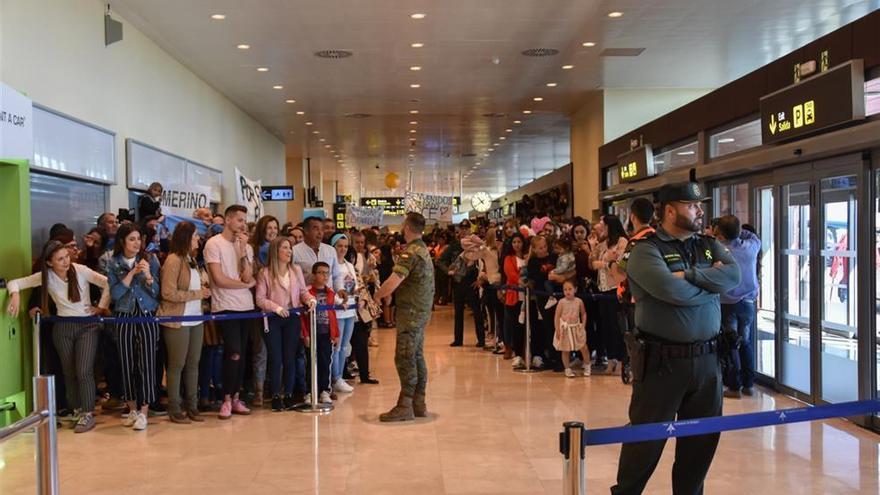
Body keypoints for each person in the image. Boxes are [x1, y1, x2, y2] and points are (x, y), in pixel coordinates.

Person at [612, 182, 740, 495]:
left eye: (699, 205)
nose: (700, 211)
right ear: (670, 210)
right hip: (661, 364)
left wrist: (692, 275)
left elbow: (734, 275)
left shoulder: (705, 246)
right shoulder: (646, 249)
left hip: (708, 363)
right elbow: (673, 292)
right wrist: (710, 284)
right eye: (692, 205)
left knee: (700, 447)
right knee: (644, 444)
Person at [6, 241, 111, 433]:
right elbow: (15, 283)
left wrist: (101, 306)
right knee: (69, 372)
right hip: (62, 326)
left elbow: (107, 282)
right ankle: (77, 410)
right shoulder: (46, 277)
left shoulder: (80, 270)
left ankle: (87, 413)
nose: (65, 261)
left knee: (84, 370)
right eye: (60, 259)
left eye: (67, 257)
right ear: (49, 262)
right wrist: (15, 295)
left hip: (87, 324)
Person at [374, 212, 435, 422]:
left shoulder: (411, 253)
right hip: (420, 312)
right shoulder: (424, 250)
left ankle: (405, 404)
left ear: (407, 227)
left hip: (410, 313)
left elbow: (394, 280)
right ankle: (419, 402)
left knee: (404, 357)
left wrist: (377, 296)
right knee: (417, 356)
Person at [106, 223, 162, 431]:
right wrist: (130, 274)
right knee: (126, 361)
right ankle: (131, 409)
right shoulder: (113, 263)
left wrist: (147, 276)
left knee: (147, 362)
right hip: (124, 315)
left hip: (146, 314)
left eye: (138, 238)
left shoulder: (151, 260)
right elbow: (116, 295)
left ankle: (144, 411)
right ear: (122, 241)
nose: (136, 243)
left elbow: (156, 292)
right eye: (131, 239)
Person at [203, 204, 256, 420]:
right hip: (225, 305)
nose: (243, 224)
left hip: (246, 306)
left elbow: (247, 275)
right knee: (232, 351)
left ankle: (235, 396)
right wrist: (245, 286)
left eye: (245, 221)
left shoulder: (246, 247)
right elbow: (219, 279)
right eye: (240, 220)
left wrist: (243, 253)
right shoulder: (213, 244)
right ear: (228, 220)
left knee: (242, 353)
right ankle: (225, 397)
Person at [158, 221, 212, 424]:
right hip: (177, 319)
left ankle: (192, 405)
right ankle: (174, 406)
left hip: (195, 318)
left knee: (193, 364)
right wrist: (198, 293)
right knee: (176, 365)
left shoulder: (192, 260)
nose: (198, 239)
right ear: (186, 238)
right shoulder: (173, 260)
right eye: (195, 236)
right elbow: (167, 292)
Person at [255, 236, 315, 411]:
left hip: (292, 318)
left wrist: (310, 300)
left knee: (290, 358)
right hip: (273, 319)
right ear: (276, 251)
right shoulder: (264, 273)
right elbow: (260, 299)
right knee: (276, 358)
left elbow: (303, 292)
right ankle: (275, 395)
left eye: (290, 248)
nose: (289, 251)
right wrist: (276, 307)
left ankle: (288, 394)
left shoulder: (295, 270)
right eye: (285, 248)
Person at [715, 214, 760, 399]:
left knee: (731, 344)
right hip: (748, 304)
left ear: (722, 235)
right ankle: (749, 384)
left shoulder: (721, 251)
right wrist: (738, 230)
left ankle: (734, 386)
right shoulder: (751, 248)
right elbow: (753, 236)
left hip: (728, 304)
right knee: (746, 343)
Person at [590, 215, 629, 374]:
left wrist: (604, 264)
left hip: (616, 288)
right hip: (603, 288)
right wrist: (593, 248)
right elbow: (593, 263)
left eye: (603, 224)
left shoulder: (622, 242)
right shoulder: (603, 243)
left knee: (617, 325)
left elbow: (620, 264)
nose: (600, 227)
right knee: (606, 325)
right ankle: (611, 358)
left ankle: (622, 360)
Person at [301, 262, 340, 404]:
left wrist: (336, 334)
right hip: (312, 333)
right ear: (314, 274)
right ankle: (309, 392)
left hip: (326, 333)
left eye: (327, 273)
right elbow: (302, 317)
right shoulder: (307, 292)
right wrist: (305, 334)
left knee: (325, 362)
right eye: (321, 272)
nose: (324, 276)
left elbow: (333, 314)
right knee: (310, 363)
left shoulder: (330, 293)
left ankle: (324, 390)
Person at [330, 233, 358, 394]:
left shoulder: (349, 265)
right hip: (339, 310)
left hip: (350, 308)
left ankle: (340, 374)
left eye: (345, 246)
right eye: (339, 246)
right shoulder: (332, 265)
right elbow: (330, 287)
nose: (342, 249)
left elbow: (352, 285)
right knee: (337, 346)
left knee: (345, 346)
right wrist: (340, 301)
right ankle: (335, 377)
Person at [449, 234, 487, 348]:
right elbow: (453, 267)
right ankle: (458, 339)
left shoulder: (479, 255)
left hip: (472, 286)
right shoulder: (461, 256)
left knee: (477, 313)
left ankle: (481, 339)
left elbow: (483, 268)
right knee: (458, 313)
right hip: (459, 285)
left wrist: (479, 280)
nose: (467, 245)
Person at [554, 280, 590, 377]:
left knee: (584, 347)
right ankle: (567, 369)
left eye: (570, 289)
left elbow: (583, 313)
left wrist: (583, 325)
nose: (567, 291)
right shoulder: (561, 302)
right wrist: (557, 329)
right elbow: (557, 316)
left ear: (575, 289)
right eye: (565, 289)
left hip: (576, 328)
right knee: (565, 350)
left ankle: (587, 365)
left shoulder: (579, 301)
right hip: (565, 329)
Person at [502, 232, 528, 365]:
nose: (517, 245)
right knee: (514, 325)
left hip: (528, 296)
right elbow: (510, 274)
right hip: (514, 295)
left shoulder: (527, 256)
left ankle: (526, 351)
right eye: (514, 242)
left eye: (519, 242)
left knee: (526, 326)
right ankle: (515, 351)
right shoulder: (508, 258)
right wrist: (521, 281)